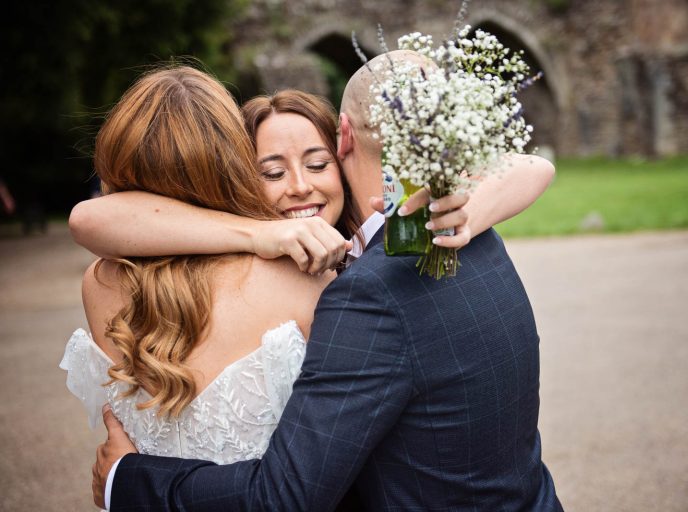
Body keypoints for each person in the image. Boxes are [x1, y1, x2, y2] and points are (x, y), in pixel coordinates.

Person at [91, 51, 562, 511]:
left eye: (317, 164)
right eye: (271, 172)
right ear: (236, 181)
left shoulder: (395, 264)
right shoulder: (480, 240)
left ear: (342, 145)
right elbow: (92, 219)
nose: (299, 185)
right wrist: (264, 233)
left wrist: (125, 483)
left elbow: (285, 494)